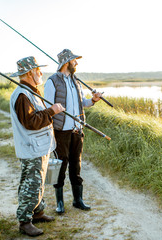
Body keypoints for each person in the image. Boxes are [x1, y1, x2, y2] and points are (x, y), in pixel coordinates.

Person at [9, 56, 65, 236]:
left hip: (39, 147)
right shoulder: (22, 95)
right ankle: (25, 221)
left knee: (39, 182)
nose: (41, 72)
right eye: (37, 70)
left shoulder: (30, 92)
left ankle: (38, 212)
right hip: (31, 148)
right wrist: (52, 111)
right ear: (30, 73)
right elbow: (31, 122)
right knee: (31, 184)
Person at [44, 49, 102, 214]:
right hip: (61, 131)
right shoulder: (52, 81)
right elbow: (48, 108)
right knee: (61, 166)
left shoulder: (76, 81)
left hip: (77, 130)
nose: (76, 63)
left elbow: (81, 102)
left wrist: (93, 100)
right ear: (66, 63)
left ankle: (78, 200)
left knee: (76, 166)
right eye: (74, 60)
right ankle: (60, 203)